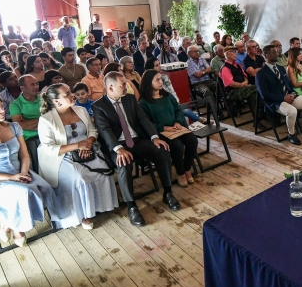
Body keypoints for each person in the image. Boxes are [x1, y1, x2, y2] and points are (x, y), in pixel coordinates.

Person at [0, 96, 58, 247]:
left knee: (45, 187)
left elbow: (24, 154)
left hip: (19, 171)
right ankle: (17, 230)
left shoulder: (14, 127)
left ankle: (6, 224)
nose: (3, 110)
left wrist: (23, 173)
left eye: (2, 106)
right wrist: (12, 177)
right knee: (23, 192)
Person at [92, 71, 181, 227]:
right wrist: (118, 149)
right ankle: (131, 206)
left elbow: (143, 119)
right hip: (117, 145)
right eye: (123, 84)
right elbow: (104, 130)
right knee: (123, 163)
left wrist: (155, 137)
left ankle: (168, 192)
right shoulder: (99, 106)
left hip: (137, 140)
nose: (127, 87)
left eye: (126, 83)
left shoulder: (130, 99)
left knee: (162, 150)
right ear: (111, 87)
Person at [37, 84, 118, 229]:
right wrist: (77, 146)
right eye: (67, 94)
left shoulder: (81, 110)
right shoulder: (46, 119)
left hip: (88, 148)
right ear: (57, 101)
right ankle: (85, 214)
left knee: (103, 170)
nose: (72, 95)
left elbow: (93, 131)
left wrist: (88, 142)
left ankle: (101, 205)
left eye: (70, 92)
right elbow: (49, 148)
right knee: (79, 177)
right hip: (62, 156)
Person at [139, 70, 200, 187]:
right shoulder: (144, 102)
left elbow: (178, 110)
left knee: (192, 140)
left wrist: (177, 122)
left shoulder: (167, 95)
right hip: (161, 132)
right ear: (148, 82)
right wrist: (163, 127)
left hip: (176, 127)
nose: (161, 82)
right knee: (176, 146)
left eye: (161, 79)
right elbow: (146, 122)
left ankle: (187, 168)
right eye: (157, 80)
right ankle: (180, 172)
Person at [144, 58, 204, 124]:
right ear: (151, 69)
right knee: (184, 110)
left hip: (171, 101)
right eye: (157, 65)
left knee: (182, 109)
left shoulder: (165, 77)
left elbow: (172, 91)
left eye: (159, 64)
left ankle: (196, 120)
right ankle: (198, 119)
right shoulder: (149, 83)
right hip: (162, 105)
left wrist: (176, 102)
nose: (160, 66)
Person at [219, 45, 257, 115]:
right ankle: (259, 116)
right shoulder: (225, 68)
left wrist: (246, 82)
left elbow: (245, 76)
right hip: (233, 92)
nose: (236, 53)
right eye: (233, 52)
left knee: (255, 95)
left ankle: (259, 116)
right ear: (227, 54)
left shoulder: (237, 65)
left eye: (236, 51)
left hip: (242, 88)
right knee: (257, 88)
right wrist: (242, 85)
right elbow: (230, 83)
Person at [9, 75, 42, 142]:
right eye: (32, 84)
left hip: (49, 134)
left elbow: (55, 118)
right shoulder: (15, 104)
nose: (36, 87)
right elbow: (20, 125)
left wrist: (28, 122)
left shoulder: (44, 99)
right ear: (22, 88)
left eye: (37, 83)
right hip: (30, 139)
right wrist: (45, 119)